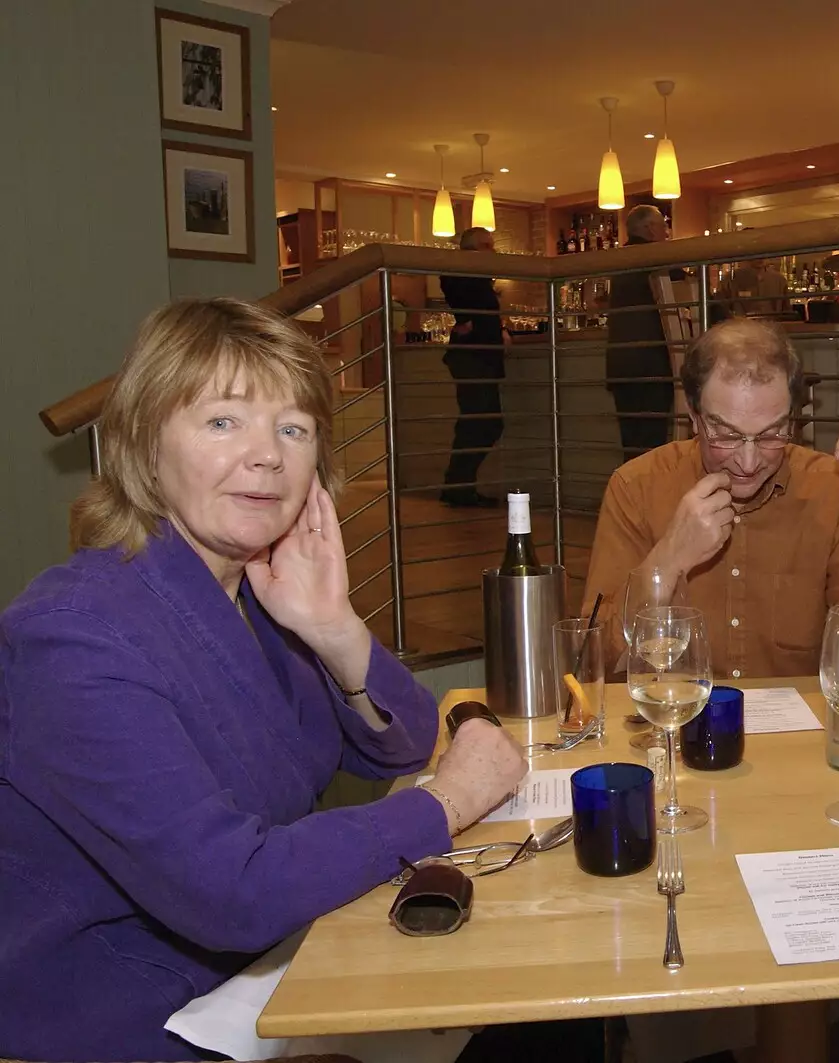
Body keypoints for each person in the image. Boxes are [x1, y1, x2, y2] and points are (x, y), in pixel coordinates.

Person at [0, 298, 530, 1062]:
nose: (268, 456)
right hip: (130, 1015)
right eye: (224, 422)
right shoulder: (74, 633)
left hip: (261, 967)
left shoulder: (256, 592)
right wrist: (446, 802)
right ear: (145, 447)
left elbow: (403, 742)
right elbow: (233, 890)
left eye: (294, 428)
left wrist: (335, 627)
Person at [583, 316, 839, 678]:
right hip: (680, 723)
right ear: (694, 417)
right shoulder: (637, 486)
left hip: (798, 732)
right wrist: (669, 559)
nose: (748, 462)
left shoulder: (832, 488)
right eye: (726, 434)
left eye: (771, 434)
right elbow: (594, 661)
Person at [440, 226, 507, 506]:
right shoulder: (463, 272)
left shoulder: (473, 278)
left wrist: (499, 331)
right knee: (481, 421)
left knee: (481, 421)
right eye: (485, 245)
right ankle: (458, 486)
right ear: (470, 250)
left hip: (479, 356)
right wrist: (467, 318)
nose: (491, 251)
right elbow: (452, 283)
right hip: (474, 357)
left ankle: (458, 485)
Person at [606, 204, 679, 459]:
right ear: (650, 229)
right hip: (652, 363)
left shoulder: (617, 260)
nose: (667, 231)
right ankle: (647, 497)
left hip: (621, 364)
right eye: (663, 226)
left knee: (632, 443)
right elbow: (688, 292)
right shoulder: (655, 258)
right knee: (651, 444)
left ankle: (630, 496)